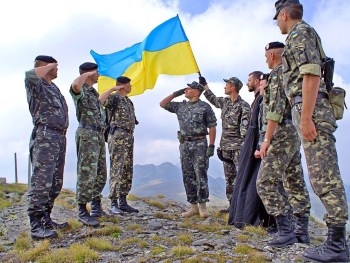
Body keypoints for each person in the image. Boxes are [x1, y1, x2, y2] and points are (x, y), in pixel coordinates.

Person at [274, 1, 349, 261]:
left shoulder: (300, 34)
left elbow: (311, 74)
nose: (277, 23)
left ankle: (337, 246)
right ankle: (337, 242)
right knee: (321, 177)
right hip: (309, 109)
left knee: (324, 177)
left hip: (312, 110)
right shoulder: (303, 33)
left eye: (277, 18)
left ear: (284, 15)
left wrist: (306, 118)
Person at [256, 41, 311, 248]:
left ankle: (285, 230)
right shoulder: (291, 72)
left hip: (281, 131)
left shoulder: (278, 73)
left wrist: (267, 139)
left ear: (271, 56)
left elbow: (276, 110)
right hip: (293, 130)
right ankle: (301, 232)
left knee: (265, 182)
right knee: (294, 179)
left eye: (265, 56)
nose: (265, 60)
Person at [25, 55, 69, 239]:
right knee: (41, 181)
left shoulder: (54, 88)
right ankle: (36, 224)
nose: (57, 69)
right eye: (55, 66)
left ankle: (46, 218)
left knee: (55, 181)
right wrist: (50, 65)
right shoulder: (36, 84)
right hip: (45, 135)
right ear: (46, 66)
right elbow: (30, 74)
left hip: (59, 136)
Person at [160, 81, 217, 218]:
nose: (186, 90)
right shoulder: (180, 106)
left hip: (200, 144)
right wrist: (177, 93)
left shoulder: (205, 107)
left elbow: (212, 126)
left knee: (200, 175)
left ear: (197, 92)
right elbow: (162, 104)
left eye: (189, 88)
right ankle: (193, 207)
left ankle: (203, 207)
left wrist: (211, 146)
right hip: (185, 144)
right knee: (188, 175)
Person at [228, 71, 275, 230]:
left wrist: (260, 144)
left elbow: (265, 125)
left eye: (262, 84)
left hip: (257, 144)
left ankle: (256, 218)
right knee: (246, 179)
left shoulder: (263, 101)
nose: (260, 86)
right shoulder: (258, 100)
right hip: (252, 143)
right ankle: (243, 216)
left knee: (258, 181)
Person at [200, 76, 250, 213]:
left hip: (239, 148)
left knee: (242, 176)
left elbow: (244, 129)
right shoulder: (225, 102)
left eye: (227, 85)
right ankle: (232, 205)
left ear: (233, 87)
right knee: (229, 178)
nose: (225, 87)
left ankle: (244, 207)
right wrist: (205, 85)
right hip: (225, 148)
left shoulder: (244, 106)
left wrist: (245, 147)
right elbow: (213, 99)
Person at [70, 62, 107, 227]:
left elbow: (101, 101)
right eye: (97, 72)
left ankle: (96, 207)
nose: (99, 75)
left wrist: (112, 90)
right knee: (87, 173)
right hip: (87, 134)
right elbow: (75, 85)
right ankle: (82, 210)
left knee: (100, 173)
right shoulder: (81, 90)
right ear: (89, 72)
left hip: (98, 135)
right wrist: (87, 74)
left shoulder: (93, 92)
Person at [99, 76, 139, 214]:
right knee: (117, 168)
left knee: (127, 169)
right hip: (117, 136)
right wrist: (111, 89)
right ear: (122, 85)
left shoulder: (128, 101)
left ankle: (123, 201)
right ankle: (113, 202)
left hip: (128, 136)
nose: (131, 86)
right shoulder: (114, 98)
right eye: (129, 84)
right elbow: (100, 101)